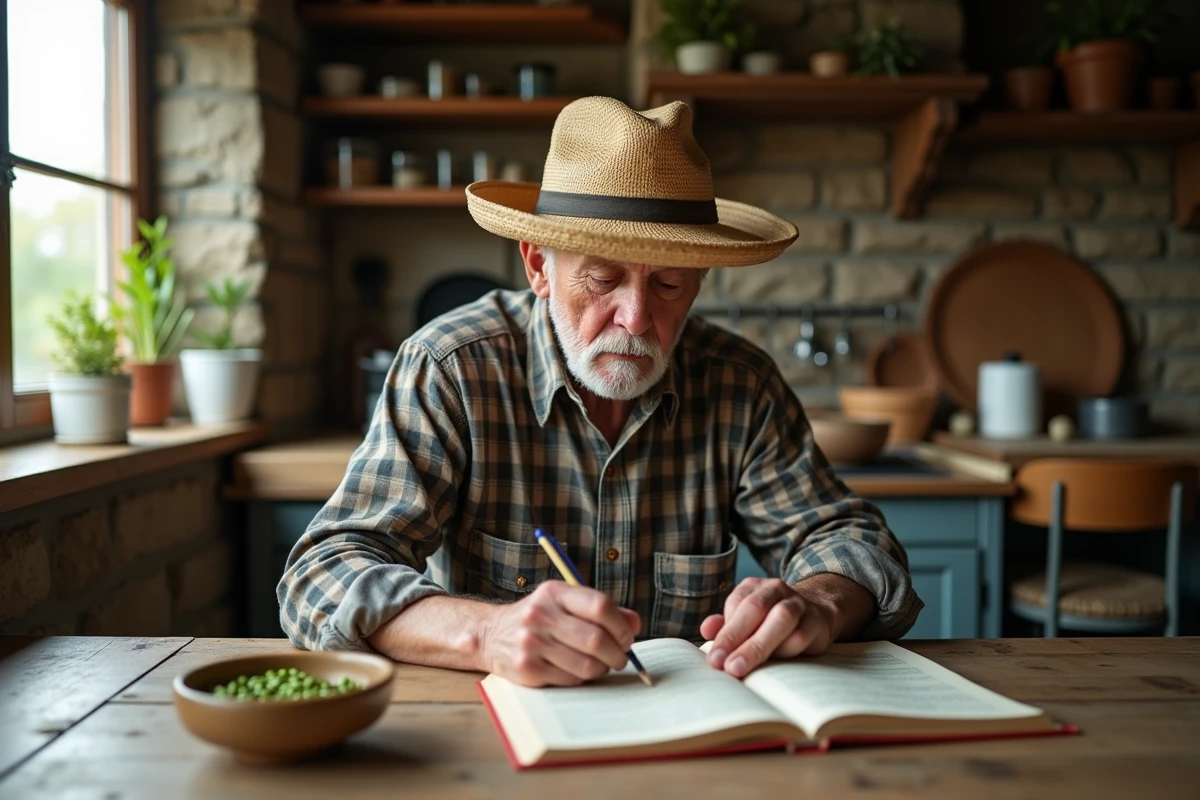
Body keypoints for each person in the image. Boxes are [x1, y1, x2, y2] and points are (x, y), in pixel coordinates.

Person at [278, 96, 922, 688]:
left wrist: (817, 602)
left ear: (699, 282)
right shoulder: (451, 368)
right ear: (538, 267)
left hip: (688, 733)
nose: (636, 318)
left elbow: (853, 543)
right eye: (603, 278)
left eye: (668, 285)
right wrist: (485, 632)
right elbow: (321, 575)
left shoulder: (739, 384)